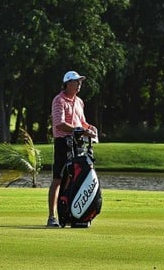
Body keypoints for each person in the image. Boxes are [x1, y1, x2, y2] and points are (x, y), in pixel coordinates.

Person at [48, 70, 97, 227]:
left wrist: (90, 128)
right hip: (63, 143)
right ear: (68, 83)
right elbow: (59, 123)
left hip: (78, 143)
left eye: (80, 82)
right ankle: (52, 217)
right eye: (77, 82)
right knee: (58, 179)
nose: (79, 84)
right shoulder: (59, 100)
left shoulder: (79, 102)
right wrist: (81, 130)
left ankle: (73, 214)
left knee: (76, 179)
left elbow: (81, 122)